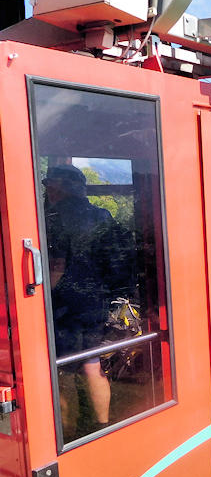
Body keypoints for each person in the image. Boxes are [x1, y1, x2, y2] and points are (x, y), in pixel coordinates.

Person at [44, 164, 114, 435]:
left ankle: (70, 433)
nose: (47, 191)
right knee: (92, 364)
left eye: (50, 185)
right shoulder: (102, 215)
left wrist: (41, 299)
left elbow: (56, 267)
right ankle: (103, 424)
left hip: (64, 305)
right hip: (95, 301)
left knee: (64, 371)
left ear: (62, 188)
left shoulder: (54, 218)